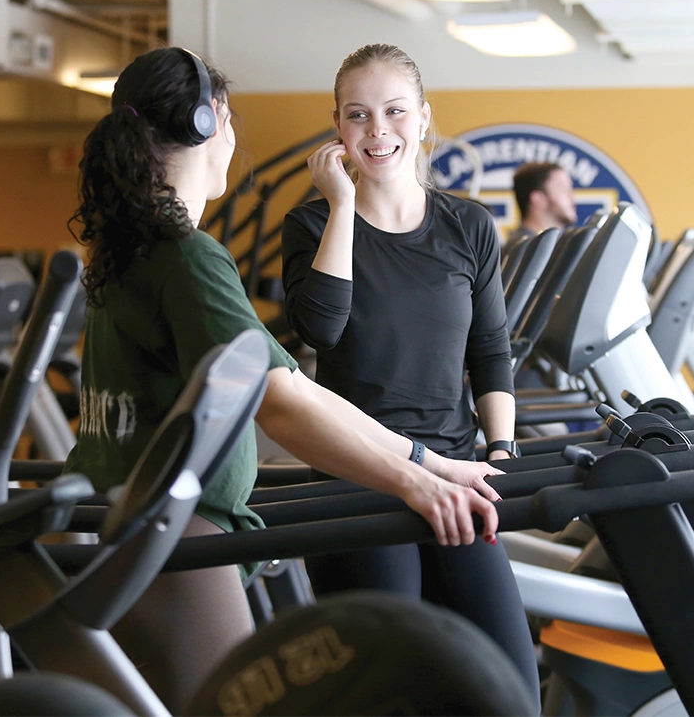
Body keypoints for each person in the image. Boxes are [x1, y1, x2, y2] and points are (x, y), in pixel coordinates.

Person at [61, 46, 504, 713]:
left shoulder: (129, 250)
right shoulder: (187, 257)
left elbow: (289, 385)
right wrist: (416, 474)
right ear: (212, 123)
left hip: (136, 524)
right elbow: (282, 400)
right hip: (176, 532)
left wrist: (431, 460)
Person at [280, 43, 541, 706]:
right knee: (389, 690)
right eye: (358, 115)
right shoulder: (311, 222)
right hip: (357, 477)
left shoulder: (468, 225)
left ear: (423, 119)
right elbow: (321, 329)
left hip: (452, 472)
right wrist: (341, 206)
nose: (378, 131)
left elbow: (489, 348)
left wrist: (501, 449)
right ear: (338, 127)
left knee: (510, 682)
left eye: (394, 112)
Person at [504, 161, 578, 259]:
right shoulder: (525, 252)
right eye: (563, 189)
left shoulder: (550, 248)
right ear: (538, 199)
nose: (572, 197)